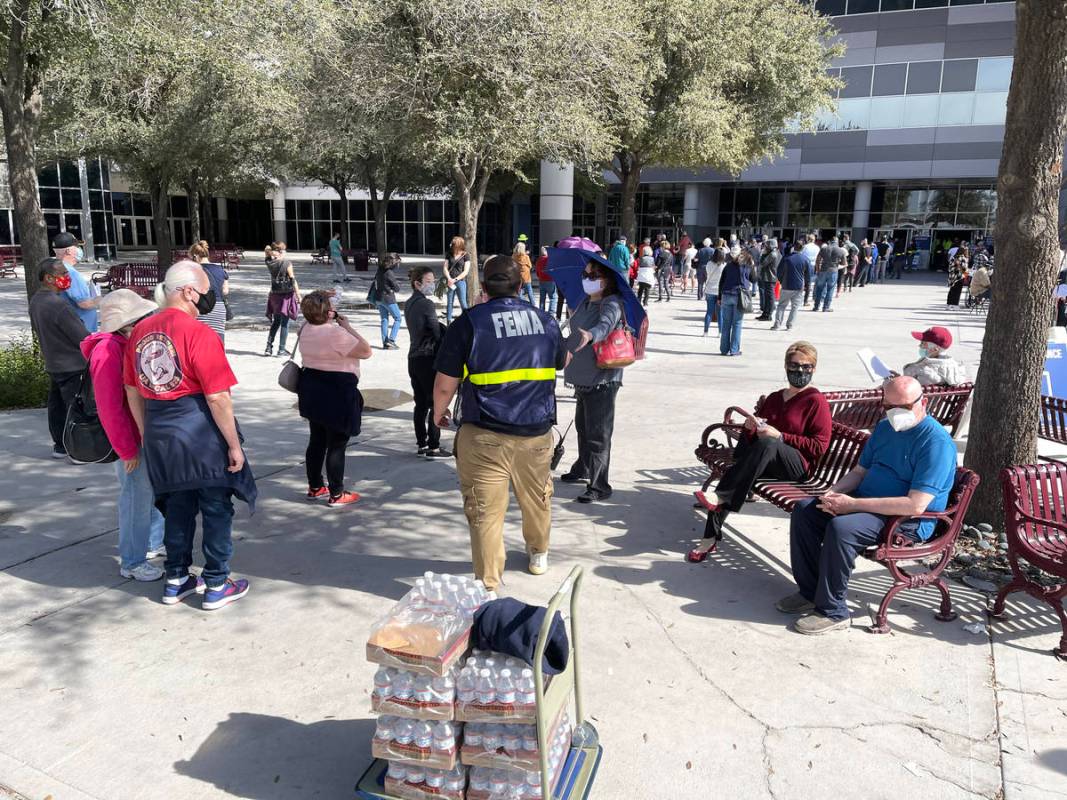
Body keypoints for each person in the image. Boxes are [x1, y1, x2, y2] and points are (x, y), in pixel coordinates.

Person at [124, 261, 257, 610]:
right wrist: (233, 444)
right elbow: (217, 397)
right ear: (186, 292)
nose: (204, 300)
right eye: (202, 293)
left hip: (160, 431)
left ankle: (176, 578)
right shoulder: (199, 333)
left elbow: (131, 389)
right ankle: (216, 582)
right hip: (198, 430)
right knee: (215, 506)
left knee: (177, 507)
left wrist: (144, 432)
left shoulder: (139, 331)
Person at [780, 377, 957, 634]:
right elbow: (860, 471)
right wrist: (833, 492)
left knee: (843, 528)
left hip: (904, 520)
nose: (895, 414)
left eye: (904, 407)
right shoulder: (885, 428)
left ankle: (834, 611)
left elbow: (916, 505)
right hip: (865, 503)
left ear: (923, 403)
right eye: (889, 407)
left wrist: (852, 505)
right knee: (806, 510)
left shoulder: (936, 443)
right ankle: (810, 592)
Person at [432, 255, 565, 591]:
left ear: (484, 287)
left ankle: (488, 585)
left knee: (485, 512)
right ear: (521, 286)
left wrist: (438, 412)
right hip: (535, 432)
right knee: (537, 498)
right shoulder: (546, 320)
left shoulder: (469, 322)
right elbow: (560, 361)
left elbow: (445, 382)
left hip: (484, 435)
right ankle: (538, 553)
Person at [688, 342, 831, 562]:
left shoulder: (816, 401)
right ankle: (709, 537)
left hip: (795, 466)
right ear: (785, 367)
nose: (799, 371)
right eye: (794, 365)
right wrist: (749, 428)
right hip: (764, 458)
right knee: (738, 471)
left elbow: (819, 446)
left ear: (814, 368)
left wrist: (781, 436)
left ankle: (720, 497)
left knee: (765, 447)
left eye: (806, 366)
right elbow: (750, 442)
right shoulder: (775, 398)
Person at [81, 289, 165, 581]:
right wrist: (127, 450)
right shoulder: (108, 350)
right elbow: (109, 408)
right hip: (128, 441)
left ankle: (150, 542)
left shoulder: (120, 344)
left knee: (143, 495)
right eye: (142, 317)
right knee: (135, 499)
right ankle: (132, 561)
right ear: (127, 322)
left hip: (135, 436)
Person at [297, 290, 373, 505]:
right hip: (337, 391)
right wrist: (347, 326)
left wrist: (322, 297)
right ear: (329, 313)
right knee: (337, 444)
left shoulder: (304, 328)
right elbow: (366, 351)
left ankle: (315, 485)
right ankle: (337, 493)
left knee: (317, 440)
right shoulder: (336, 334)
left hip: (312, 388)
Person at [559, 257, 626, 503]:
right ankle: (583, 467)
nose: (587, 280)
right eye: (585, 276)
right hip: (582, 377)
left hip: (603, 378)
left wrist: (591, 335)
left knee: (598, 434)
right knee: (583, 427)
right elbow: (573, 332)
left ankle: (599, 485)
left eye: (593, 276)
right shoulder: (583, 302)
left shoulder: (611, 303)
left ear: (607, 280)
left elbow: (605, 327)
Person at [29, 257, 90, 458]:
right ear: (49, 278)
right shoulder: (59, 306)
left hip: (54, 362)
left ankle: (60, 446)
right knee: (76, 407)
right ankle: (78, 450)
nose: (67, 277)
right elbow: (82, 337)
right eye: (63, 274)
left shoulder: (36, 300)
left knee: (57, 406)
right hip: (72, 364)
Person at [405, 267, 450, 458]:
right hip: (427, 358)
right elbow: (436, 331)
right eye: (429, 281)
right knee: (434, 403)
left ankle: (421, 443)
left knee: (420, 404)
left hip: (413, 357)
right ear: (418, 283)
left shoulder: (409, 303)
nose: (433, 284)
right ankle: (434, 445)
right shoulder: (426, 304)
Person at [52, 231, 100, 332]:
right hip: (81, 330)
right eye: (77, 247)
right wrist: (101, 300)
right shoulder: (70, 273)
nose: (79, 250)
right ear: (68, 251)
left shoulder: (56, 268)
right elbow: (84, 303)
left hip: (68, 327)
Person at [189, 240, 229, 342]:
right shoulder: (221, 270)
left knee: (199, 345)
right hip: (219, 309)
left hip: (201, 308)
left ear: (195, 256)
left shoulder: (192, 272)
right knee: (218, 343)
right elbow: (225, 291)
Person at [900, 326, 968, 386]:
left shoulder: (920, 370)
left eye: (923, 343)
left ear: (935, 349)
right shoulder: (958, 370)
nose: (920, 346)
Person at [264, 245, 300, 356]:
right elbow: (293, 280)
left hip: (274, 295)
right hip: (286, 295)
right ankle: (281, 349)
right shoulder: (287, 263)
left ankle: (268, 348)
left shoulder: (270, 263)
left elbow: (266, 253)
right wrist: (298, 295)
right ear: (280, 252)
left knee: (276, 322)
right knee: (285, 323)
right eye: (283, 250)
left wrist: (269, 250)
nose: (285, 252)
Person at [718, 246, 753, 356]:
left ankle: (724, 349)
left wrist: (719, 297)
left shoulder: (727, 266)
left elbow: (721, 282)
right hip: (739, 296)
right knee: (737, 323)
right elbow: (754, 278)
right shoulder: (746, 266)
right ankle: (734, 349)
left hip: (726, 295)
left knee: (726, 324)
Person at [773, 241, 808, 331]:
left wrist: (781, 280)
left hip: (786, 285)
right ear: (802, 248)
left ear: (794, 247)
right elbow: (808, 274)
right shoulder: (805, 259)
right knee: (795, 307)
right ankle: (790, 325)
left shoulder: (787, 258)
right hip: (798, 286)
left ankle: (777, 324)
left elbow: (779, 271)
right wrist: (807, 285)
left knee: (781, 305)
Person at [373, 252, 403, 350]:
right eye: (398, 263)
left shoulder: (380, 269)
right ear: (394, 262)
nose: (398, 265)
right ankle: (391, 340)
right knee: (398, 318)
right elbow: (397, 288)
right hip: (388, 298)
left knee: (384, 319)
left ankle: (385, 342)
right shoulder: (389, 273)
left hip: (379, 297)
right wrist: (397, 285)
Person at [813, 237, 845, 312]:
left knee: (819, 288)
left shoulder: (824, 248)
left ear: (830, 241)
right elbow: (844, 263)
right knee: (830, 289)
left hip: (823, 270)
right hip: (833, 271)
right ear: (837, 242)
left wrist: (818, 269)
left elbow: (817, 260)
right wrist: (837, 264)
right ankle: (826, 307)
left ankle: (816, 306)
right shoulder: (841, 250)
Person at [443, 236, 470, 323]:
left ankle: (467, 320)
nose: (452, 246)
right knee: (449, 302)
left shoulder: (466, 255)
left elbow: (466, 271)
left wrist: (455, 279)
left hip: (460, 282)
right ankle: (448, 321)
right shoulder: (449, 254)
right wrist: (449, 278)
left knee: (463, 302)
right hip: (450, 281)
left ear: (459, 245)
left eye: (454, 244)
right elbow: (445, 268)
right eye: (452, 244)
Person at [703, 247, 727, 336]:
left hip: (709, 290)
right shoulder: (724, 265)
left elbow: (707, 274)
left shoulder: (709, 264)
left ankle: (706, 331)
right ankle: (720, 332)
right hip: (720, 291)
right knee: (720, 313)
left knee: (709, 312)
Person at [756, 239, 780, 321]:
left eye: (767, 245)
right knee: (767, 296)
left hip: (770, 278)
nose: (765, 247)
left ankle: (768, 314)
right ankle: (765, 313)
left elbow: (762, 263)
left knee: (769, 297)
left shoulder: (772, 254)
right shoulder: (775, 253)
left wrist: (763, 254)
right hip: (769, 277)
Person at [535, 246, 556, 314]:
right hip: (550, 280)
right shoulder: (550, 259)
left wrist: (540, 276)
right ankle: (551, 313)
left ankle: (541, 312)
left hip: (541, 280)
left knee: (542, 298)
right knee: (552, 298)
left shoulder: (539, 260)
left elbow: (537, 271)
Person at [801, 234, 820, 306]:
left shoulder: (805, 247)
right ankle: (805, 301)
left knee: (802, 280)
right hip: (813, 265)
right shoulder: (817, 247)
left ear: (808, 239)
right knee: (809, 283)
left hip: (805, 264)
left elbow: (801, 255)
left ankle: (798, 297)